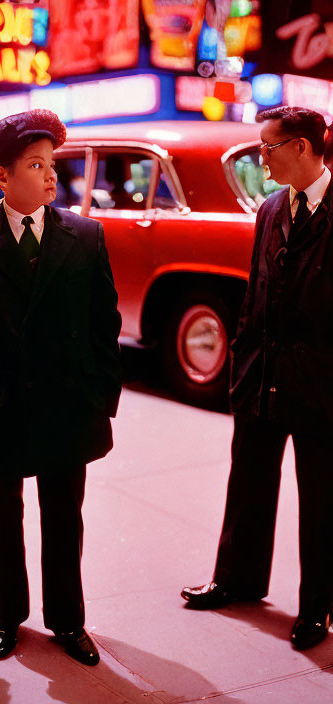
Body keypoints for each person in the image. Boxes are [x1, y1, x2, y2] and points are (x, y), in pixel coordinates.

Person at [0, 110, 122, 665]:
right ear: (0, 176)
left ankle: (68, 622)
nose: (49, 177)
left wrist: (101, 398)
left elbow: (103, 325)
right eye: (35, 165)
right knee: (2, 516)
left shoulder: (85, 236)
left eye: (52, 165)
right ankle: (6, 615)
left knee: (65, 515)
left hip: (68, 403)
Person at [181, 106, 333, 651]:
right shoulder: (270, 209)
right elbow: (254, 293)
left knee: (321, 500)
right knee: (247, 484)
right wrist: (242, 369)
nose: (261, 158)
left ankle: (317, 608)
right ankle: (237, 580)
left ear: (301, 147)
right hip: (262, 376)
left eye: (268, 148)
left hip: (322, 383)